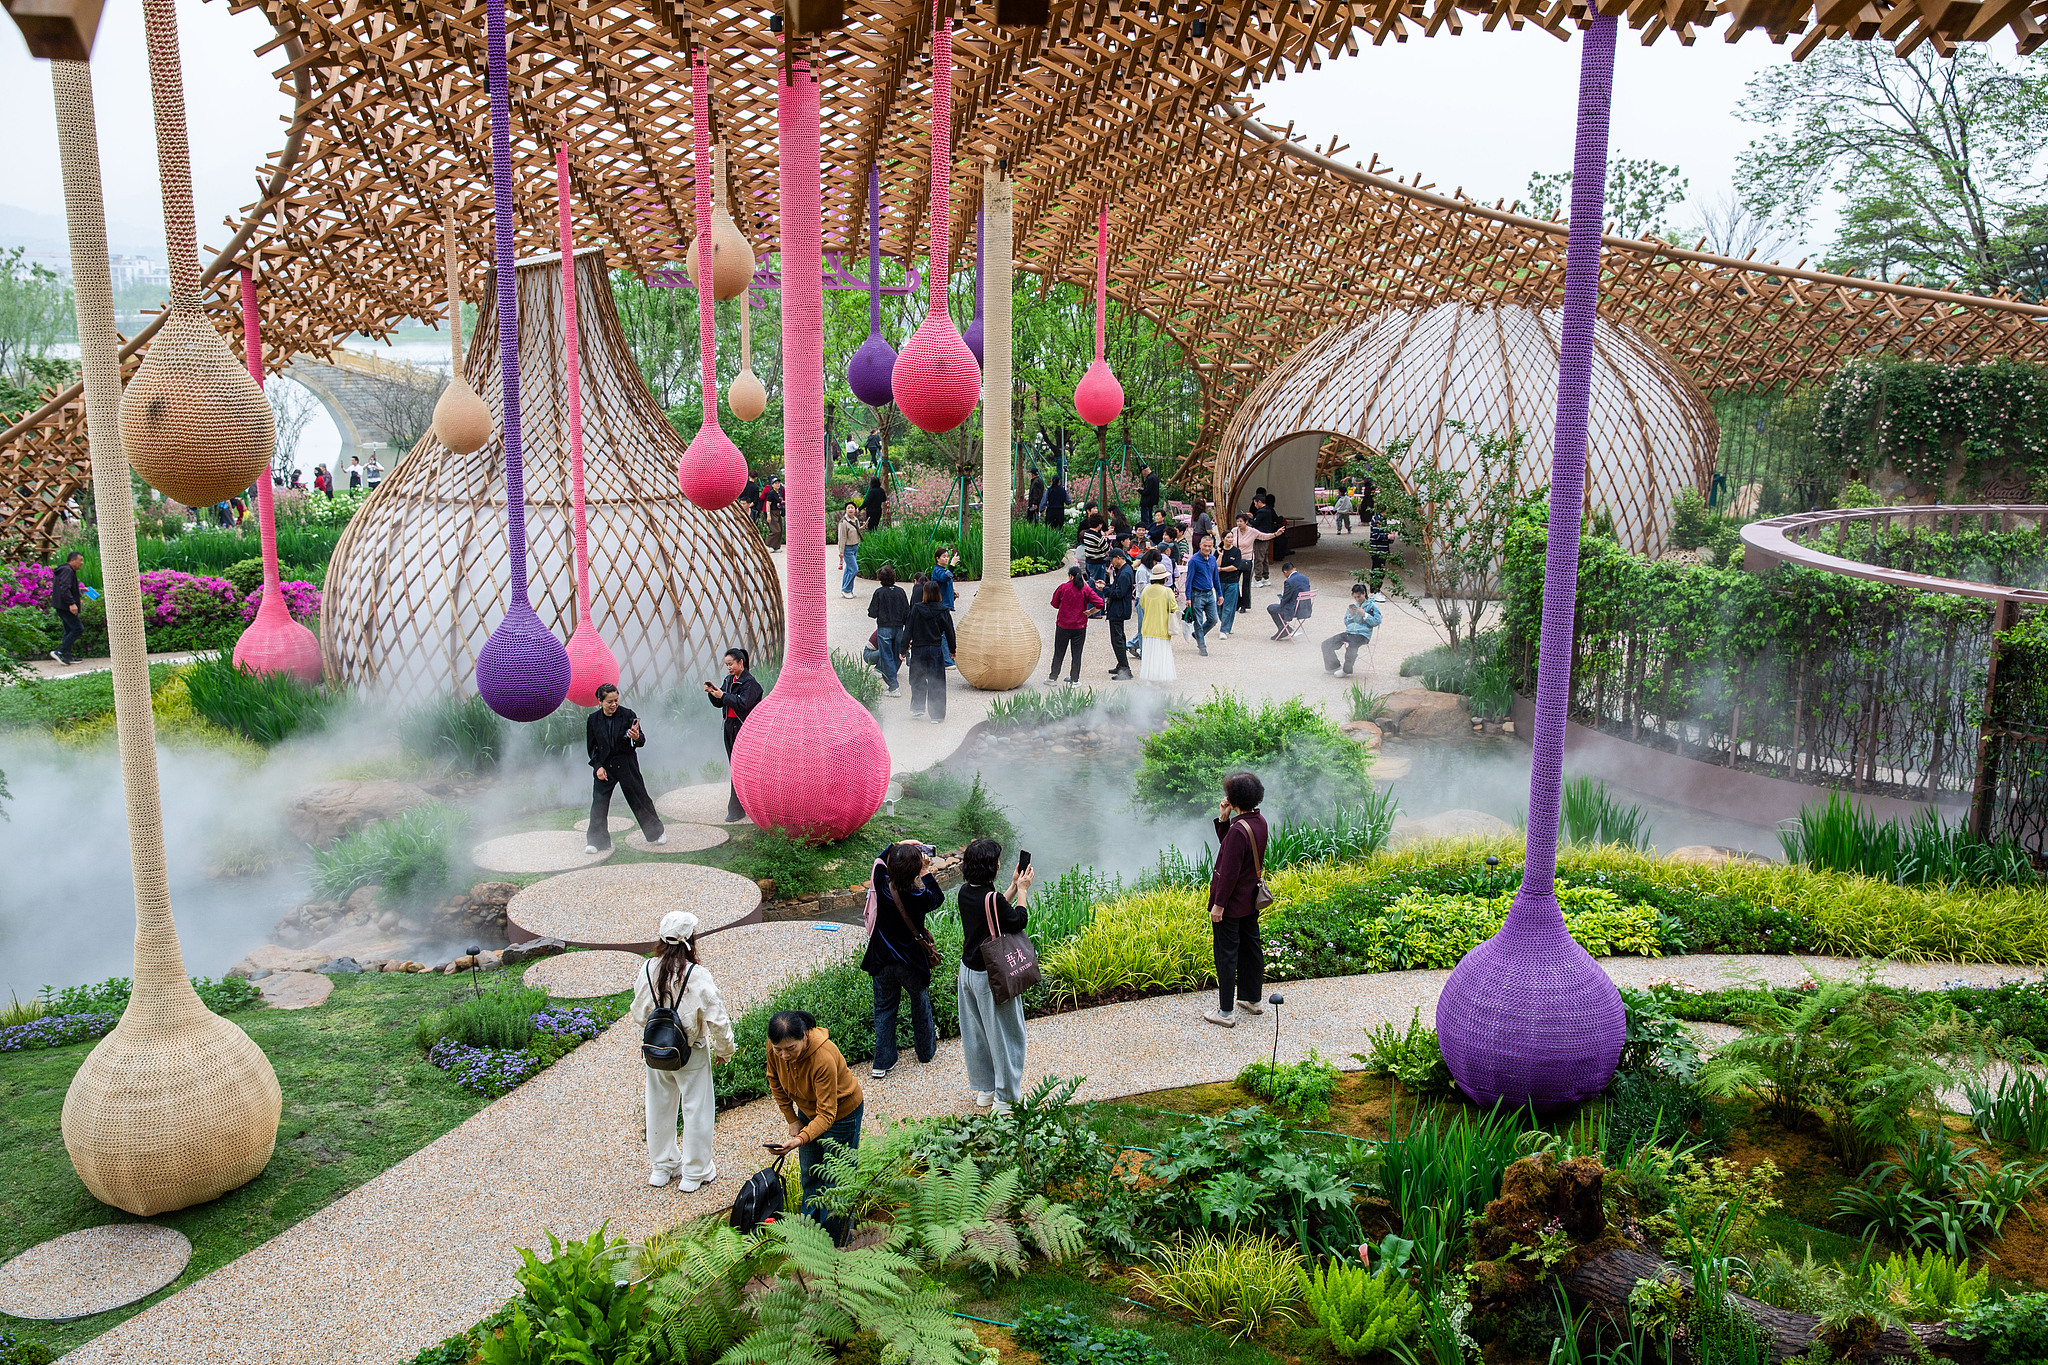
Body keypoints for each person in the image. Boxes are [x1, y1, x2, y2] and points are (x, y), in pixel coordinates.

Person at [632, 910, 734, 1189]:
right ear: (690, 939)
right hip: (691, 1050)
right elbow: (718, 1019)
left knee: (658, 1106)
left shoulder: (647, 969)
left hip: (656, 1050)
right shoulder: (696, 975)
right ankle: (694, 1173)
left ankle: (661, 1168)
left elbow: (638, 1012)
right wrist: (724, 1050)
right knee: (696, 1109)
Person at [763, 1010, 865, 1245]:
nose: (784, 1055)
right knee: (810, 1175)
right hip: (808, 1111)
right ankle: (809, 1241)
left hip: (842, 1114)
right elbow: (774, 1080)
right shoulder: (775, 1047)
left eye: (790, 1049)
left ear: (804, 1037)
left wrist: (800, 1139)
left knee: (836, 1182)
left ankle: (836, 1244)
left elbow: (828, 1114)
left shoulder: (823, 1057)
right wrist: (792, 1120)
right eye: (779, 1050)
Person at [957, 837, 1035, 1111]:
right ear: (991, 867)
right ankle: (1005, 1100)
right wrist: (1023, 890)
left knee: (977, 1036)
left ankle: (986, 1091)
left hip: (968, 973)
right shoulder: (992, 899)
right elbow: (1017, 920)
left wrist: (1013, 885)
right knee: (1006, 1037)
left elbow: (992, 911)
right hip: (991, 977)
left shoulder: (965, 892)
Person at [864, 841, 942, 1081]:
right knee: (920, 1004)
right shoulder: (920, 896)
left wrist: (900, 845)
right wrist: (925, 871)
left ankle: (882, 1063)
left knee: (884, 1009)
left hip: (882, 960)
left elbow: (880, 858)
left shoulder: (881, 882)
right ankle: (925, 1052)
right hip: (911, 963)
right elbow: (938, 897)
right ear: (915, 870)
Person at [1204, 771, 1270, 1028]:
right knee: (1251, 949)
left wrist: (1218, 906)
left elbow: (1228, 871)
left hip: (1231, 905)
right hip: (1250, 900)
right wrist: (1224, 819)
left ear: (1233, 798)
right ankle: (1253, 999)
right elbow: (1234, 851)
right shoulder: (1258, 822)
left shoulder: (1238, 831)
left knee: (1226, 955)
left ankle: (1225, 1012)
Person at [586, 683, 668, 852]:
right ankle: (595, 842)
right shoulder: (593, 719)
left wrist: (636, 737)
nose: (614, 704)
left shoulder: (628, 715)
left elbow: (641, 741)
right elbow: (592, 748)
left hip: (626, 763)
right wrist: (597, 767)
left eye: (616, 700)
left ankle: (657, 832)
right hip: (605, 766)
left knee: (639, 798)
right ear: (600, 701)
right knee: (599, 803)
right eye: (609, 701)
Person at [705, 648, 764, 822]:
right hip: (729, 726)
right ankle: (740, 806)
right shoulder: (729, 680)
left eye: (731, 664)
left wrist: (723, 695)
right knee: (734, 766)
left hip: (743, 728)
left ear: (740, 662)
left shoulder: (750, 683)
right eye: (726, 665)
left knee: (740, 767)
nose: (729, 668)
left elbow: (743, 704)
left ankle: (738, 809)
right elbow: (721, 702)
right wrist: (713, 694)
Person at [1047, 564, 1103, 685]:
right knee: (1076, 654)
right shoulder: (1086, 590)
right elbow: (1100, 603)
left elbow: (1055, 604)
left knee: (1059, 652)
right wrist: (1090, 612)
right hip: (1079, 627)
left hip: (1063, 625)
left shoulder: (1063, 587)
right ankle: (1074, 680)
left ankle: (1053, 677)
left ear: (1070, 576)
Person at [907, 582, 955, 722]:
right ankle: (937, 715)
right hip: (935, 649)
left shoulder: (916, 609)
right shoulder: (943, 610)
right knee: (937, 681)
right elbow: (950, 631)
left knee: (917, 679)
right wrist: (952, 650)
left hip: (918, 649)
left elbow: (909, 628)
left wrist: (903, 648)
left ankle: (917, 708)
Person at [867, 564, 911, 697]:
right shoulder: (901, 592)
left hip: (884, 627)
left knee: (886, 656)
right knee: (898, 654)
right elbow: (907, 612)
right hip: (898, 627)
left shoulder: (879, 592)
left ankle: (893, 685)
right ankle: (893, 680)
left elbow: (872, 613)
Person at [1322, 581, 1382, 676]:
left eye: (1359, 597)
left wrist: (1364, 614)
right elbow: (1346, 622)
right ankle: (1334, 667)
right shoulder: (1354, 606)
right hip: (1350, 632)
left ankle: (1346, 670)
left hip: (1362, 634)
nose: (1357, 599)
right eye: (1355, 597)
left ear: (1364, 593)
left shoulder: (1372, 606)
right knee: (1326, 644)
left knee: (1351, 647)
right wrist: (1351, 615)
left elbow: (1377, 621)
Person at [1138, 553, 1177, 682]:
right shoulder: (1167, 591)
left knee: (1149, 655)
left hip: (1148, 628)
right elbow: (1173, 608)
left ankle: (1149, 679)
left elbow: (1142, 605)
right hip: (1162, 628)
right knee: (1162, 655)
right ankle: (1160, 678)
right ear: (1164, 579)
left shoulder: (1146, 590)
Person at [1184, 533, 1219, 656]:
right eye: (1205, 546)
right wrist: (1188, 597)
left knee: (1213, 619)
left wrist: (1219, 594)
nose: (1207, 548)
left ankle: (1198, 635)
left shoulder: (1213, 559)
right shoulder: (1194, 560)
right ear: (1200, 545)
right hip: (1197, 594)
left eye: (1210, 546)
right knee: (1198, 621)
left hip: (1209, 593)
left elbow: (1216, 578)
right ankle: (1202, 646)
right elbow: (1189, 580)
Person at [1102, 550, 1135, 679]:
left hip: (1118, 610)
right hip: (1119, 609)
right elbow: (1118, 587)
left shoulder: (1125, 573)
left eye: (1112, 559)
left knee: (1117, 640)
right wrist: (1107, 586)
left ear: (1118, 557)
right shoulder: (1125, 570)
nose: (1111, 562)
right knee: (1119, 637)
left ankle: (1125, 669)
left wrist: (1104, 589)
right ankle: (1121, 665)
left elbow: (1119, 593)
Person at [50, 550, 84, 665]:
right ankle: (60, 651)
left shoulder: (66, 570)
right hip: (65, 606)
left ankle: (66, 656)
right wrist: (71, 603)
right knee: (78, 628)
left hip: (61, 605)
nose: (82, 563)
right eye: (80, 560)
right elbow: (64, 588)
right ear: (73, 560)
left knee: (69, 629)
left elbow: (65, 587)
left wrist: (80, 590)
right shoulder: (67, 570)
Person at [1268, 560, 1312, 640]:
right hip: (1305, 609)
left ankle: (1284, 629)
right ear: (1294, 569)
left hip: (1293, 610)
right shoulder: (1305, 578)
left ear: (1285, 572)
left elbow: (1285, 599)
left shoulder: (1289, 581)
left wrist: (1281, 600)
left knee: (1271, 607)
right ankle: (1286, 628)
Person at [1216, 534, 1245, 640]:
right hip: (1219, 582)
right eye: (1228, 537)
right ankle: (1226, 623)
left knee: (1228, 607)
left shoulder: (1236, 551)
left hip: (1232, 582)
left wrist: (1222, 569)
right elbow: (1216, 566)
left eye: (1231, 537)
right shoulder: (1218, 550)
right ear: (1223, 539)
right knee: (1219, 607)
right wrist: (1220, 555)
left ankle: (1224, 629)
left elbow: (1235, 566)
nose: (1230, 539)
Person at [1250, 494, 1284, 583]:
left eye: (1255, 503)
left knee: (1259, 558)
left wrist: (1248, 519)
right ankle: (1265, 577)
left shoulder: (1261, 512)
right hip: (1267, 537)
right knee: (1264, 558)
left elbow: (1255, 523)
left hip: (1260, 538)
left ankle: (1258, 579)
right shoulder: (1269, 510)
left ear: (1259, 502)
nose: (1255, 505)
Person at [837, 501, 863, 598]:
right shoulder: (843, 522)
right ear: (846, 510)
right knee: (854, 569)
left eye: (852, 507)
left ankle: (847, 590)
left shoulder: (855, 520)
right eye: (848, 508)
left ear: (855, 509)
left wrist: (862, 527)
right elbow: (842, 537)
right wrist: (841, 551)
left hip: (855, 546)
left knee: (849, 569)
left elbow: (857, 530)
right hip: (847, 549)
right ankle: (846, 590)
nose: (851, 509)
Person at [1079, 513, 1110, 589]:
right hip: (1098, 563)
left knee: (1091, 583)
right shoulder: (1098, 536)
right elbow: (1107, 549)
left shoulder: (1086, 533)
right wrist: (1105, 539)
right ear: (1100, 525)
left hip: (1088, 561)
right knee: (1099, 585)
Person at [1368, 513, 1392, 600]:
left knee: (1378, 570)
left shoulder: (1382, 520)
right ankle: (1375, 591)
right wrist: (1388, 536)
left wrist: (1390, 537)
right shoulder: (1377, 519)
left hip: (1382, 549)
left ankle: (1374, 591)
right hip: (1377, 550)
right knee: (1378, 571)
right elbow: (1376, 535)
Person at [1138, 462, 1161, 528]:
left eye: (1142, 472)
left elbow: (1147, 491)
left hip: (1146, 502)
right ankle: (1151, 530)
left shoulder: (1150, 478)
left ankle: (1146, 531)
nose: (1142, 474)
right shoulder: (1155, 477)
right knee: (1150, 519)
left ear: (1144, 470)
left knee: (1145, 520)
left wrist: (1139, 490)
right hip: (1151, 501)